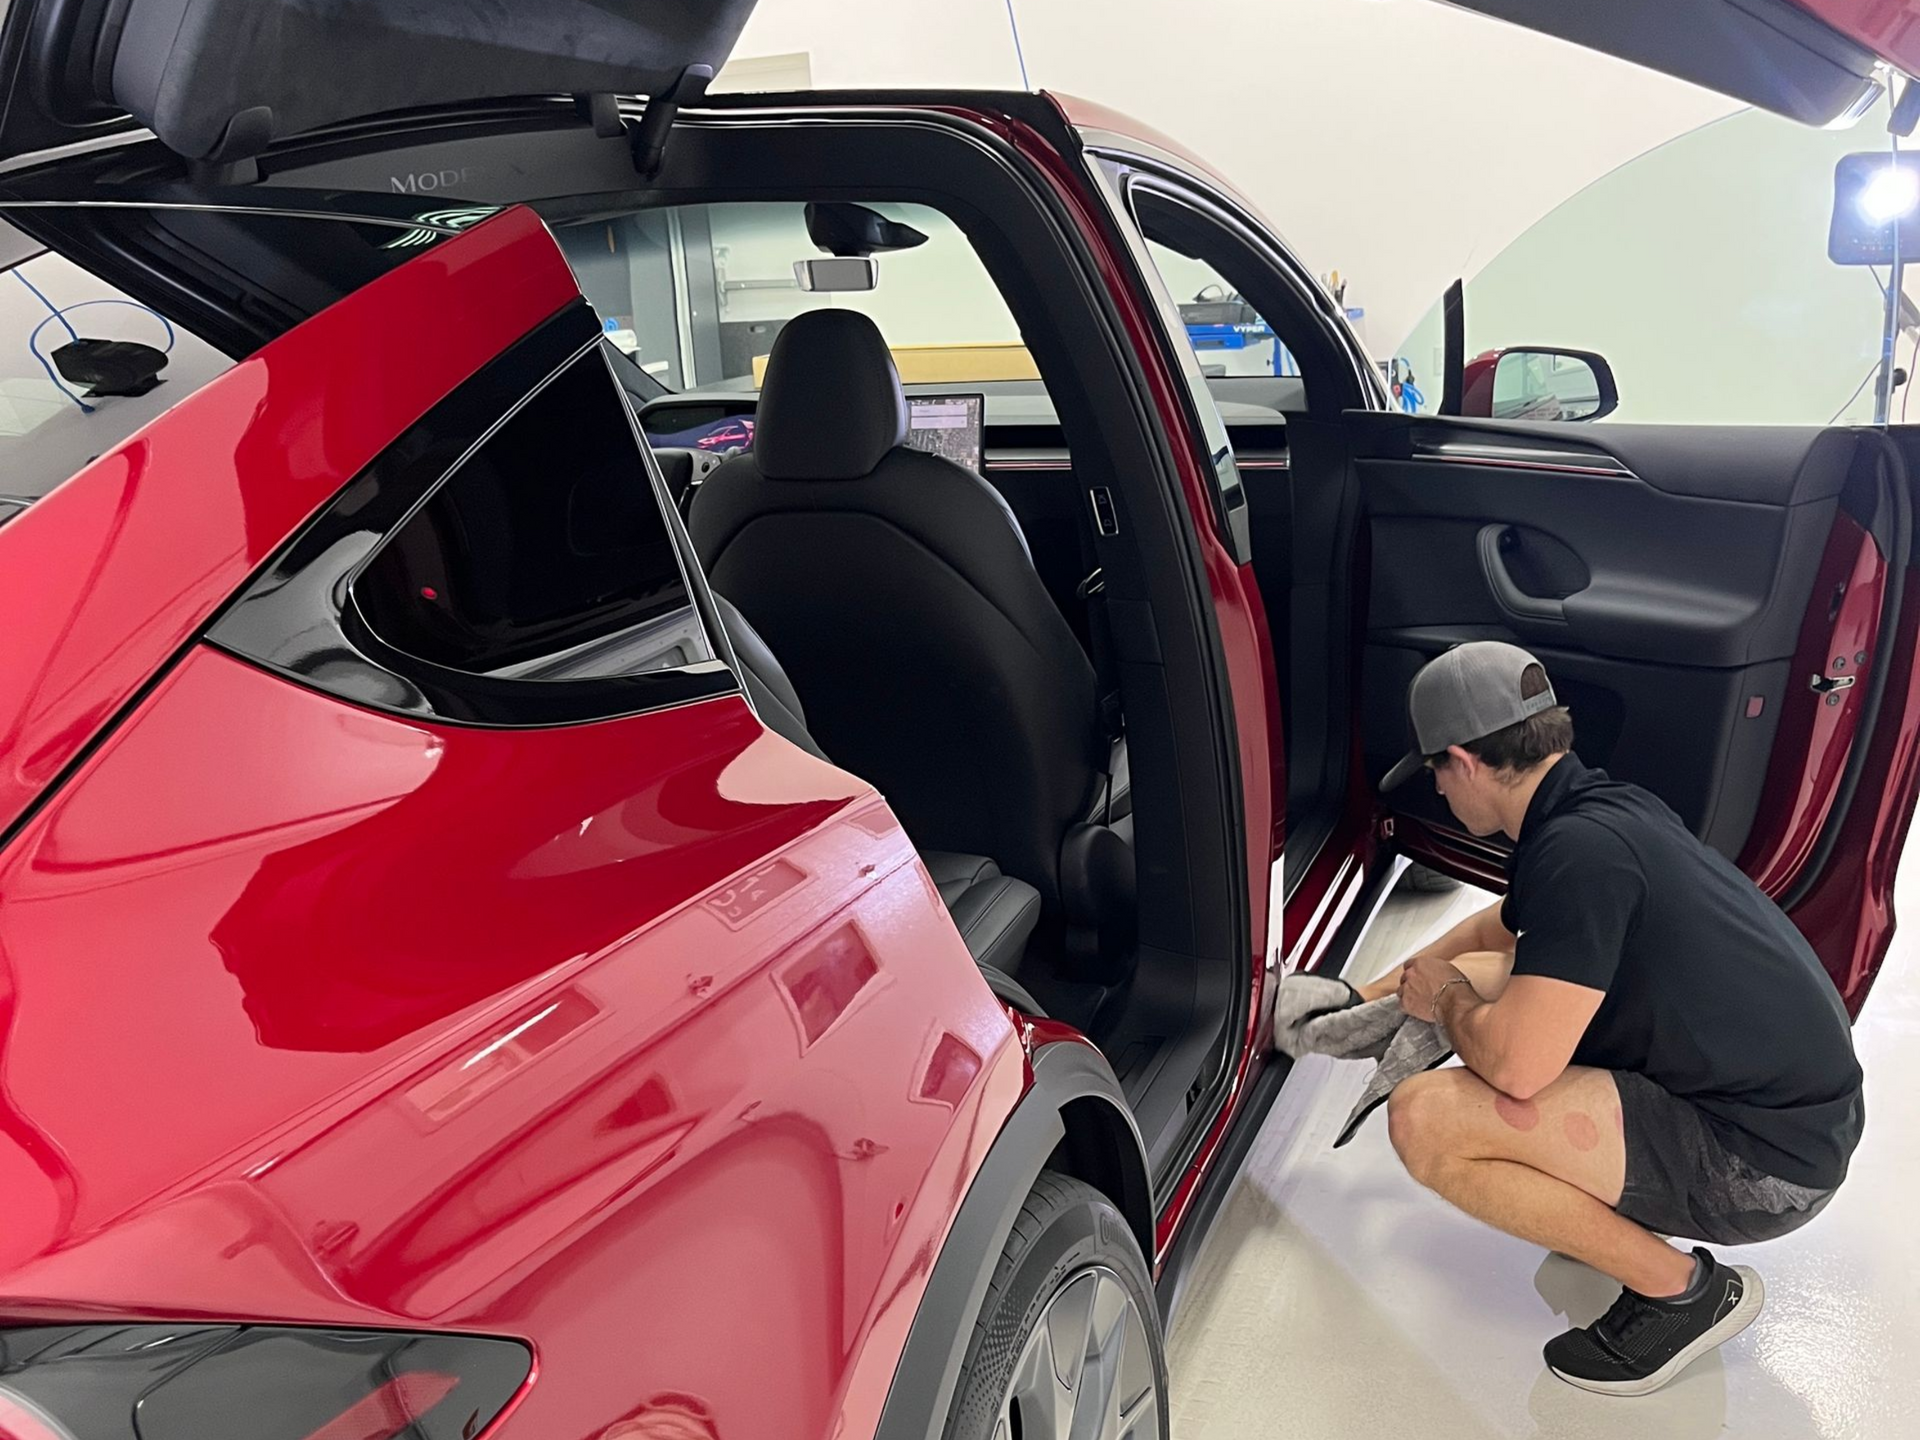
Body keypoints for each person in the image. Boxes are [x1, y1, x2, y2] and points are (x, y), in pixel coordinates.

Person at [1366, 641, 1863, 1397]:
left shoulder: (1580, 857)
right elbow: (1488, 934)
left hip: (1764, 1163)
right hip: (1795, 1113)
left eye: (1434, 771)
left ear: (1463, 761)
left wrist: (1444, 1001)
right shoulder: (1604, 811)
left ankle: (1681, 1294)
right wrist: (1362, 996)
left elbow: (1516, 1068)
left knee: (1426, 1118)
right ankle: (1623, 1220)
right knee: (1494, 983)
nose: (1435, 792)